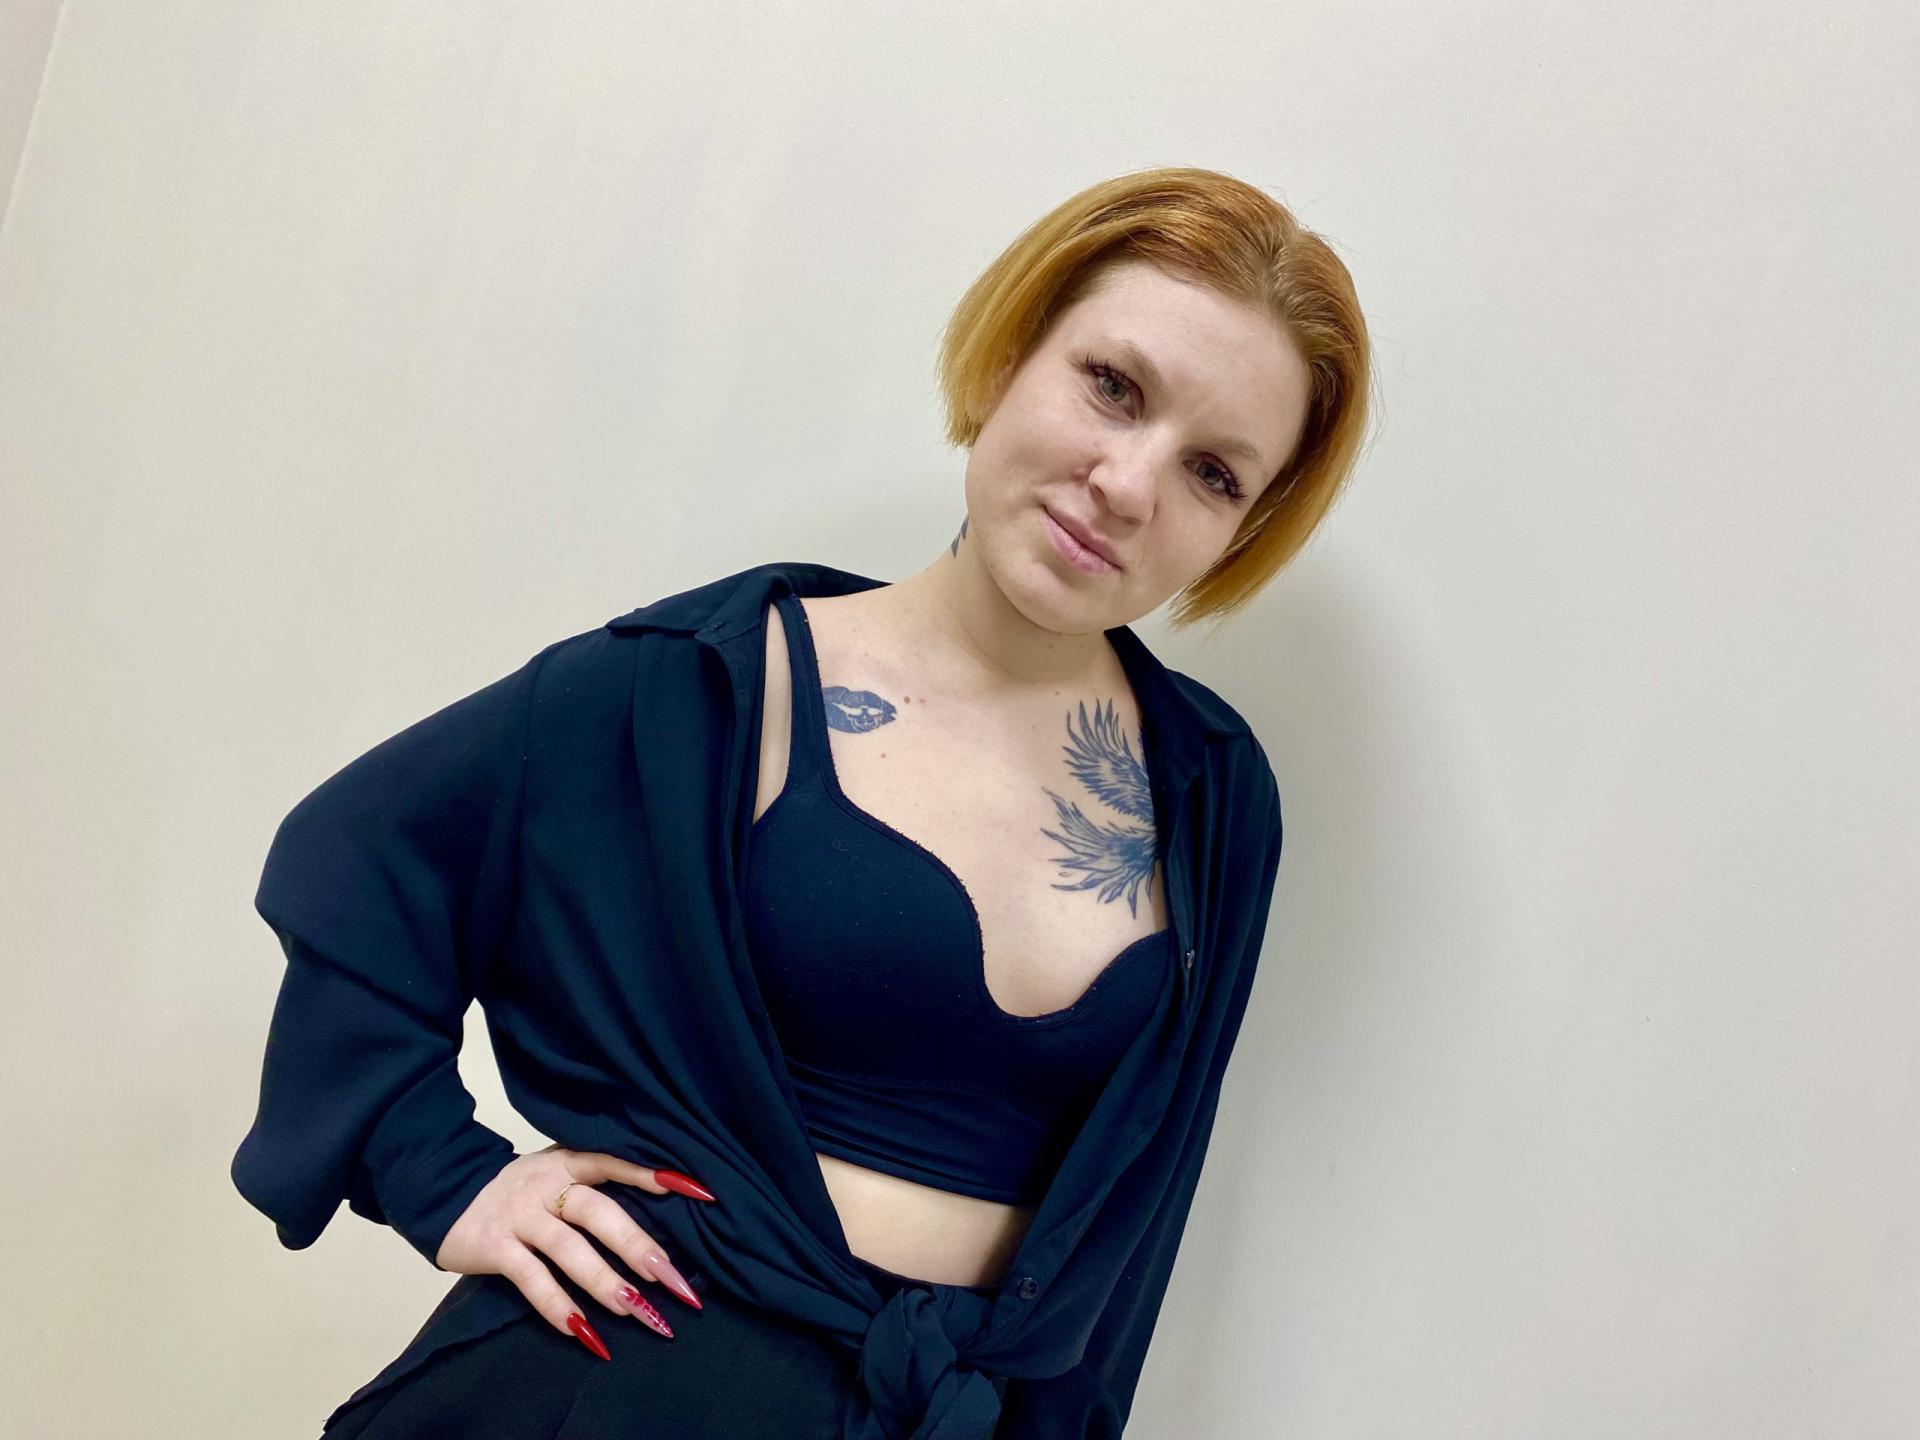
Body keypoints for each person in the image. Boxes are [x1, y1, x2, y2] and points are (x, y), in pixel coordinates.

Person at [232, 164, 1373, 1439]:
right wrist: (446, 1178)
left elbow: (1130, 1243)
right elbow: (360, 863)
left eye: (1213, 472)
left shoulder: (1213, 795)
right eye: (1112, 386)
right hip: (607, 1392)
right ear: (1012, 355)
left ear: (1242, 528)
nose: (1128, 484)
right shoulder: (707, 683)